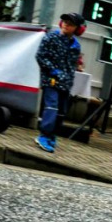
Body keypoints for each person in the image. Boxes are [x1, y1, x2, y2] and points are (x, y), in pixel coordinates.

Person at [34, 12, 84, 153]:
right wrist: (52, 70)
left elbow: (72, 65)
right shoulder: (51, 38)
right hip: (51, 80)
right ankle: (44, 135)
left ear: (78, 29)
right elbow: (40, 56)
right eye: (65, 21)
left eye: (71, 23)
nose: (66, 24)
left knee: (61, 112)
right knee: (52, 107)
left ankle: (52, 134)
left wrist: (70, 75)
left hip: (66, 82)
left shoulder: (76, 46)